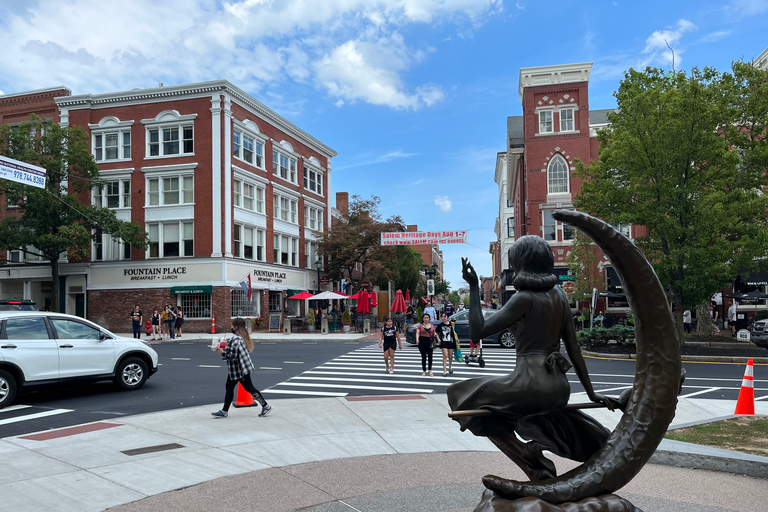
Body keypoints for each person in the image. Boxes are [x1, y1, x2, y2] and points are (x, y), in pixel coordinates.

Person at [448, 236, 619, 481]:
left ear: (521, 264)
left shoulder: (523, 298)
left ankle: (525, 454)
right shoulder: (559, 296)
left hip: (529, 385)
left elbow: (477, 331)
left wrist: (474, 287)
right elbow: (574, 349)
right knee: (501, 408)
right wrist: (592, 394)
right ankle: (534, 459)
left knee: (461, 396)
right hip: (559, 386)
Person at [212, 317, 272, 418]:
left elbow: (233, 356)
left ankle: (266, 406)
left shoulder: (236, 340)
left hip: (239, 371)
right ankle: (224, 410)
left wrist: (221, 352)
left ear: (235, 327)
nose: (230, 326)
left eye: (232, 325)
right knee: (230, 388)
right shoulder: (241, 338)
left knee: (249, 388)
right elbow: (235, 353)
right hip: (240, 369)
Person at [435, 312, 456, 377]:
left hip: (451, 341)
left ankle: (450, 367)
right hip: (443, 342)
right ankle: (444, 371)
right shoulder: (440, 325)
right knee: (445, 355)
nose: (443, 318)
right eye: (442, 316)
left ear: (447, 317)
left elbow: (454, 333)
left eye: (445, 316)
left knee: (450, 356)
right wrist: (438, 339)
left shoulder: (451, 324)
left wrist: (457, 340)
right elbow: (436, 332)